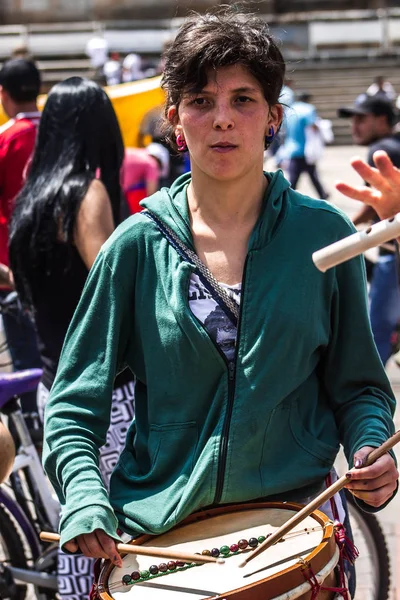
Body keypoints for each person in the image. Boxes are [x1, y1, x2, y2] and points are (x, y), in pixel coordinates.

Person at [42, 9, 397, 598]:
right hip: (160, 542)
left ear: (273, 118)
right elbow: (74, 404)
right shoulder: (134, 247)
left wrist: (369, 448)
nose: (223, 119)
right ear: (175, 120)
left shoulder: (325, 236)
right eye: (201, 100)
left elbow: (359, 385)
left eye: (244, 99)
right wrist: (82, 495)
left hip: (298, 532)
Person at [9, 76, 136, 600]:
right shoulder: (88, 194)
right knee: (121, 532)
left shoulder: (30, 201)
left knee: (83, 528)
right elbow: (116, 294)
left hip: (54, 384)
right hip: (105, 392)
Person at [338, 94, 400, 366]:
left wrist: (346, 226)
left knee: (376, 330)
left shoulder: (382, 151)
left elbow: (378, 204)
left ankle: (370, 391)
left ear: (383, 121)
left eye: (362, 119)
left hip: (393, 252)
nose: (355, 126)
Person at [0, 58, 42, 422]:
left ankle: (31, 419)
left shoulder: (6, 138)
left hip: (13, 266)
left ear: (4, 94)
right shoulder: (61, 130)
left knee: (25, 351)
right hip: (63, 264)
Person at [282, 91, 329, 199]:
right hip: (305, 149)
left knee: (302, 175)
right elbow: (312, 126)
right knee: (300, 176)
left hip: (292, 147)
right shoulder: (309, 109)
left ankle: (322, 194)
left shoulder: (290, 109)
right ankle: (285, 197)